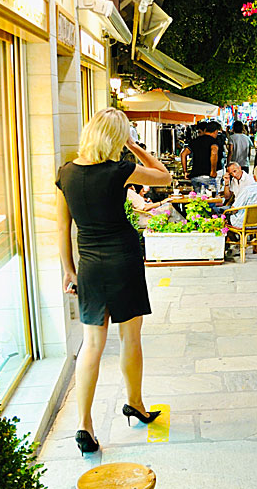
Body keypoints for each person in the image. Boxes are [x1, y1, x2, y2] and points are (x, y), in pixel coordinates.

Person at [56, 108, 171, 455]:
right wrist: (134, 146)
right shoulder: (118, 170)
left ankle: (84, 424)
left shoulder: (66, 175)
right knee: (130, 337)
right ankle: (135, 402)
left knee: (92, 343)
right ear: (116, 138)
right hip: (123, 258)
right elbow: (163, 177)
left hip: (89, 264)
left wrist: (69, 269)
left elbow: (62, 227)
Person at [180, 122, 220, 193]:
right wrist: (213, 170)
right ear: (215, 131)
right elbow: (214, 152)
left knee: (196, 201)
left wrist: (185, 171)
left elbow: (183, 154)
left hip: (195, 176)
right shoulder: (213, 141)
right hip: (207, 176)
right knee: (210, 200)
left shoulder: (195, 141)